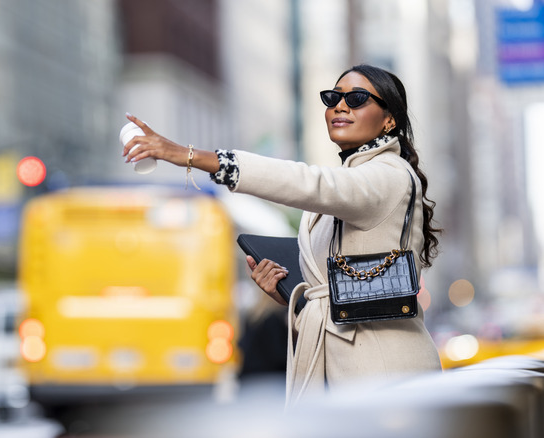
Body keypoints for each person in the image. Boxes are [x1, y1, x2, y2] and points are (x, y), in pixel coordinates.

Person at [122, 64, 443, 404]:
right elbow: (344, 299)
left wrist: (190, 157)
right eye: (333, 98)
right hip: (346, 378)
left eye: (357, 98)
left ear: (389, 119)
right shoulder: (352, 181)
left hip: (385, 377)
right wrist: (288, 293)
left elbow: (308, 183)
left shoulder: (388, 175)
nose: (340, 106)